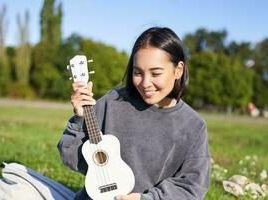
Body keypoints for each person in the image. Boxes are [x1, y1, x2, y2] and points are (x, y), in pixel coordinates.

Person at [58, 27, 211, 200]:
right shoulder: (112, 102)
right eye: (138, 72)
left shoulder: (193, 126)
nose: (145, 83)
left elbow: (191, 187)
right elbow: (71, 158)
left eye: (155, 73)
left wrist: (145, 199)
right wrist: (79, 119)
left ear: (178, 70)